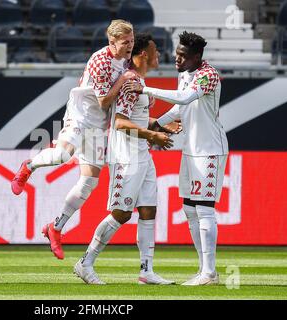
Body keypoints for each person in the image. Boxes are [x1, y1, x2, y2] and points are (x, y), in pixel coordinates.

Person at [11, 20, 172, 260]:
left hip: (98, 125)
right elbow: (104, 102)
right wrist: (124, 79)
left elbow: (129, 86)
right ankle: (28, 167)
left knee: (89, 183)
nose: (129, 47)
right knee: (63, 154)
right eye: (124, 43)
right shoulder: (100, 60)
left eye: (130, 42)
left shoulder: (127, 61)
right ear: (111, 42)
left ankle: (55, 228)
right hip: (81, 116)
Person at [125, 31, 229, 286]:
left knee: (204, 209)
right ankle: (205, 270)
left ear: (196, 56)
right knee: (190, 209)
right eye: (177, 53)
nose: (177, 59)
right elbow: (180, 107)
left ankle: (210, 273)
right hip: (191, 149)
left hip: (210, 149)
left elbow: (185, 97)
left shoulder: (209, 75)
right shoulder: (185, 75)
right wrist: (157, 126)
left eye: (183, 55)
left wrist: (144, 89)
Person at [74, 33, 177, 285]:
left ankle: (146, 271)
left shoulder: (139, 82)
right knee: (121, 213)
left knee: (148, 210)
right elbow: (120, 123)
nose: (159, 56)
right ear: (144, 54)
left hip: (142, 152)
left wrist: (158, 126)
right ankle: (85, 263)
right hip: (126, 155)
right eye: (155, 51)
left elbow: (135, 118)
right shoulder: (131, 83)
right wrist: (152, 134)